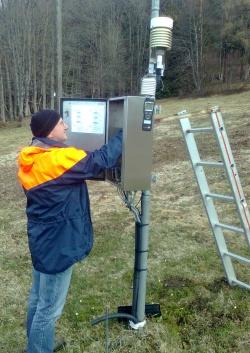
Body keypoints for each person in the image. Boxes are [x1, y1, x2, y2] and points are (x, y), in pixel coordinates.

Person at [17, 109, 122, 353]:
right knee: (49, 309)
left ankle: (37, 344)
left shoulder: (31, 156)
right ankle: (39, 349)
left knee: (38, 298)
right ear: (50, 129)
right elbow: (100, 160)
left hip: (42, 239)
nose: (66, 126)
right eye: (62, 123)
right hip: (58, 244)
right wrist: (125, 134)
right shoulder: (56, 160)